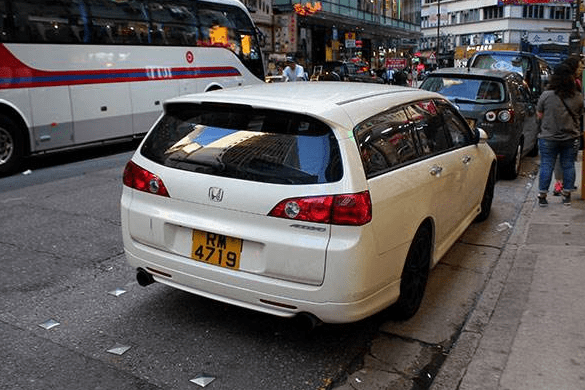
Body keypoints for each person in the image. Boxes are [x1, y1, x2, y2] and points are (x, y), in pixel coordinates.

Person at [536, 63, 584, 207]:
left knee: (546, 165)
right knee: (568, 165)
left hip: (548, 137)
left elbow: (539, 115)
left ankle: (543, 196)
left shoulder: (546, 95)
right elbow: (580, 114)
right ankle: (567, 196)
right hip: (570, 137)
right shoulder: (578, 97)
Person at [551, 56, 584, 195]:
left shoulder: (555, 85)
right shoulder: (574, 83)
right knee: (568, 158)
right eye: (580, 65)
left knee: (560, 157)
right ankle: (565, 185)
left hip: (556, 126)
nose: (582, 68)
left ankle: (560, 184)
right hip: (571, 126)